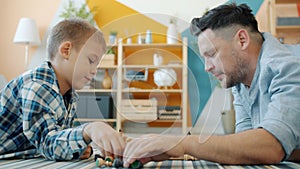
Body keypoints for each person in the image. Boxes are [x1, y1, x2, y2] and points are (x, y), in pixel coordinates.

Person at [123, 3, 300, 167]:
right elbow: (247, 148)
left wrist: (182, 143)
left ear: (242, 40)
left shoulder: (289, 67)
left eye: (212, 54)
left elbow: (270, 147)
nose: (207, 67)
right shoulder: (241, 81)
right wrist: (171, 150)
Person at [0, 18, 126, 160]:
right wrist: (89, 129)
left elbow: (56, 137)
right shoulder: (38, 87)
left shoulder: (69, 95)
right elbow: (48, 144)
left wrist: (77, 146)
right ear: (66, 50)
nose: (95, 71)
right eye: (91, 60)